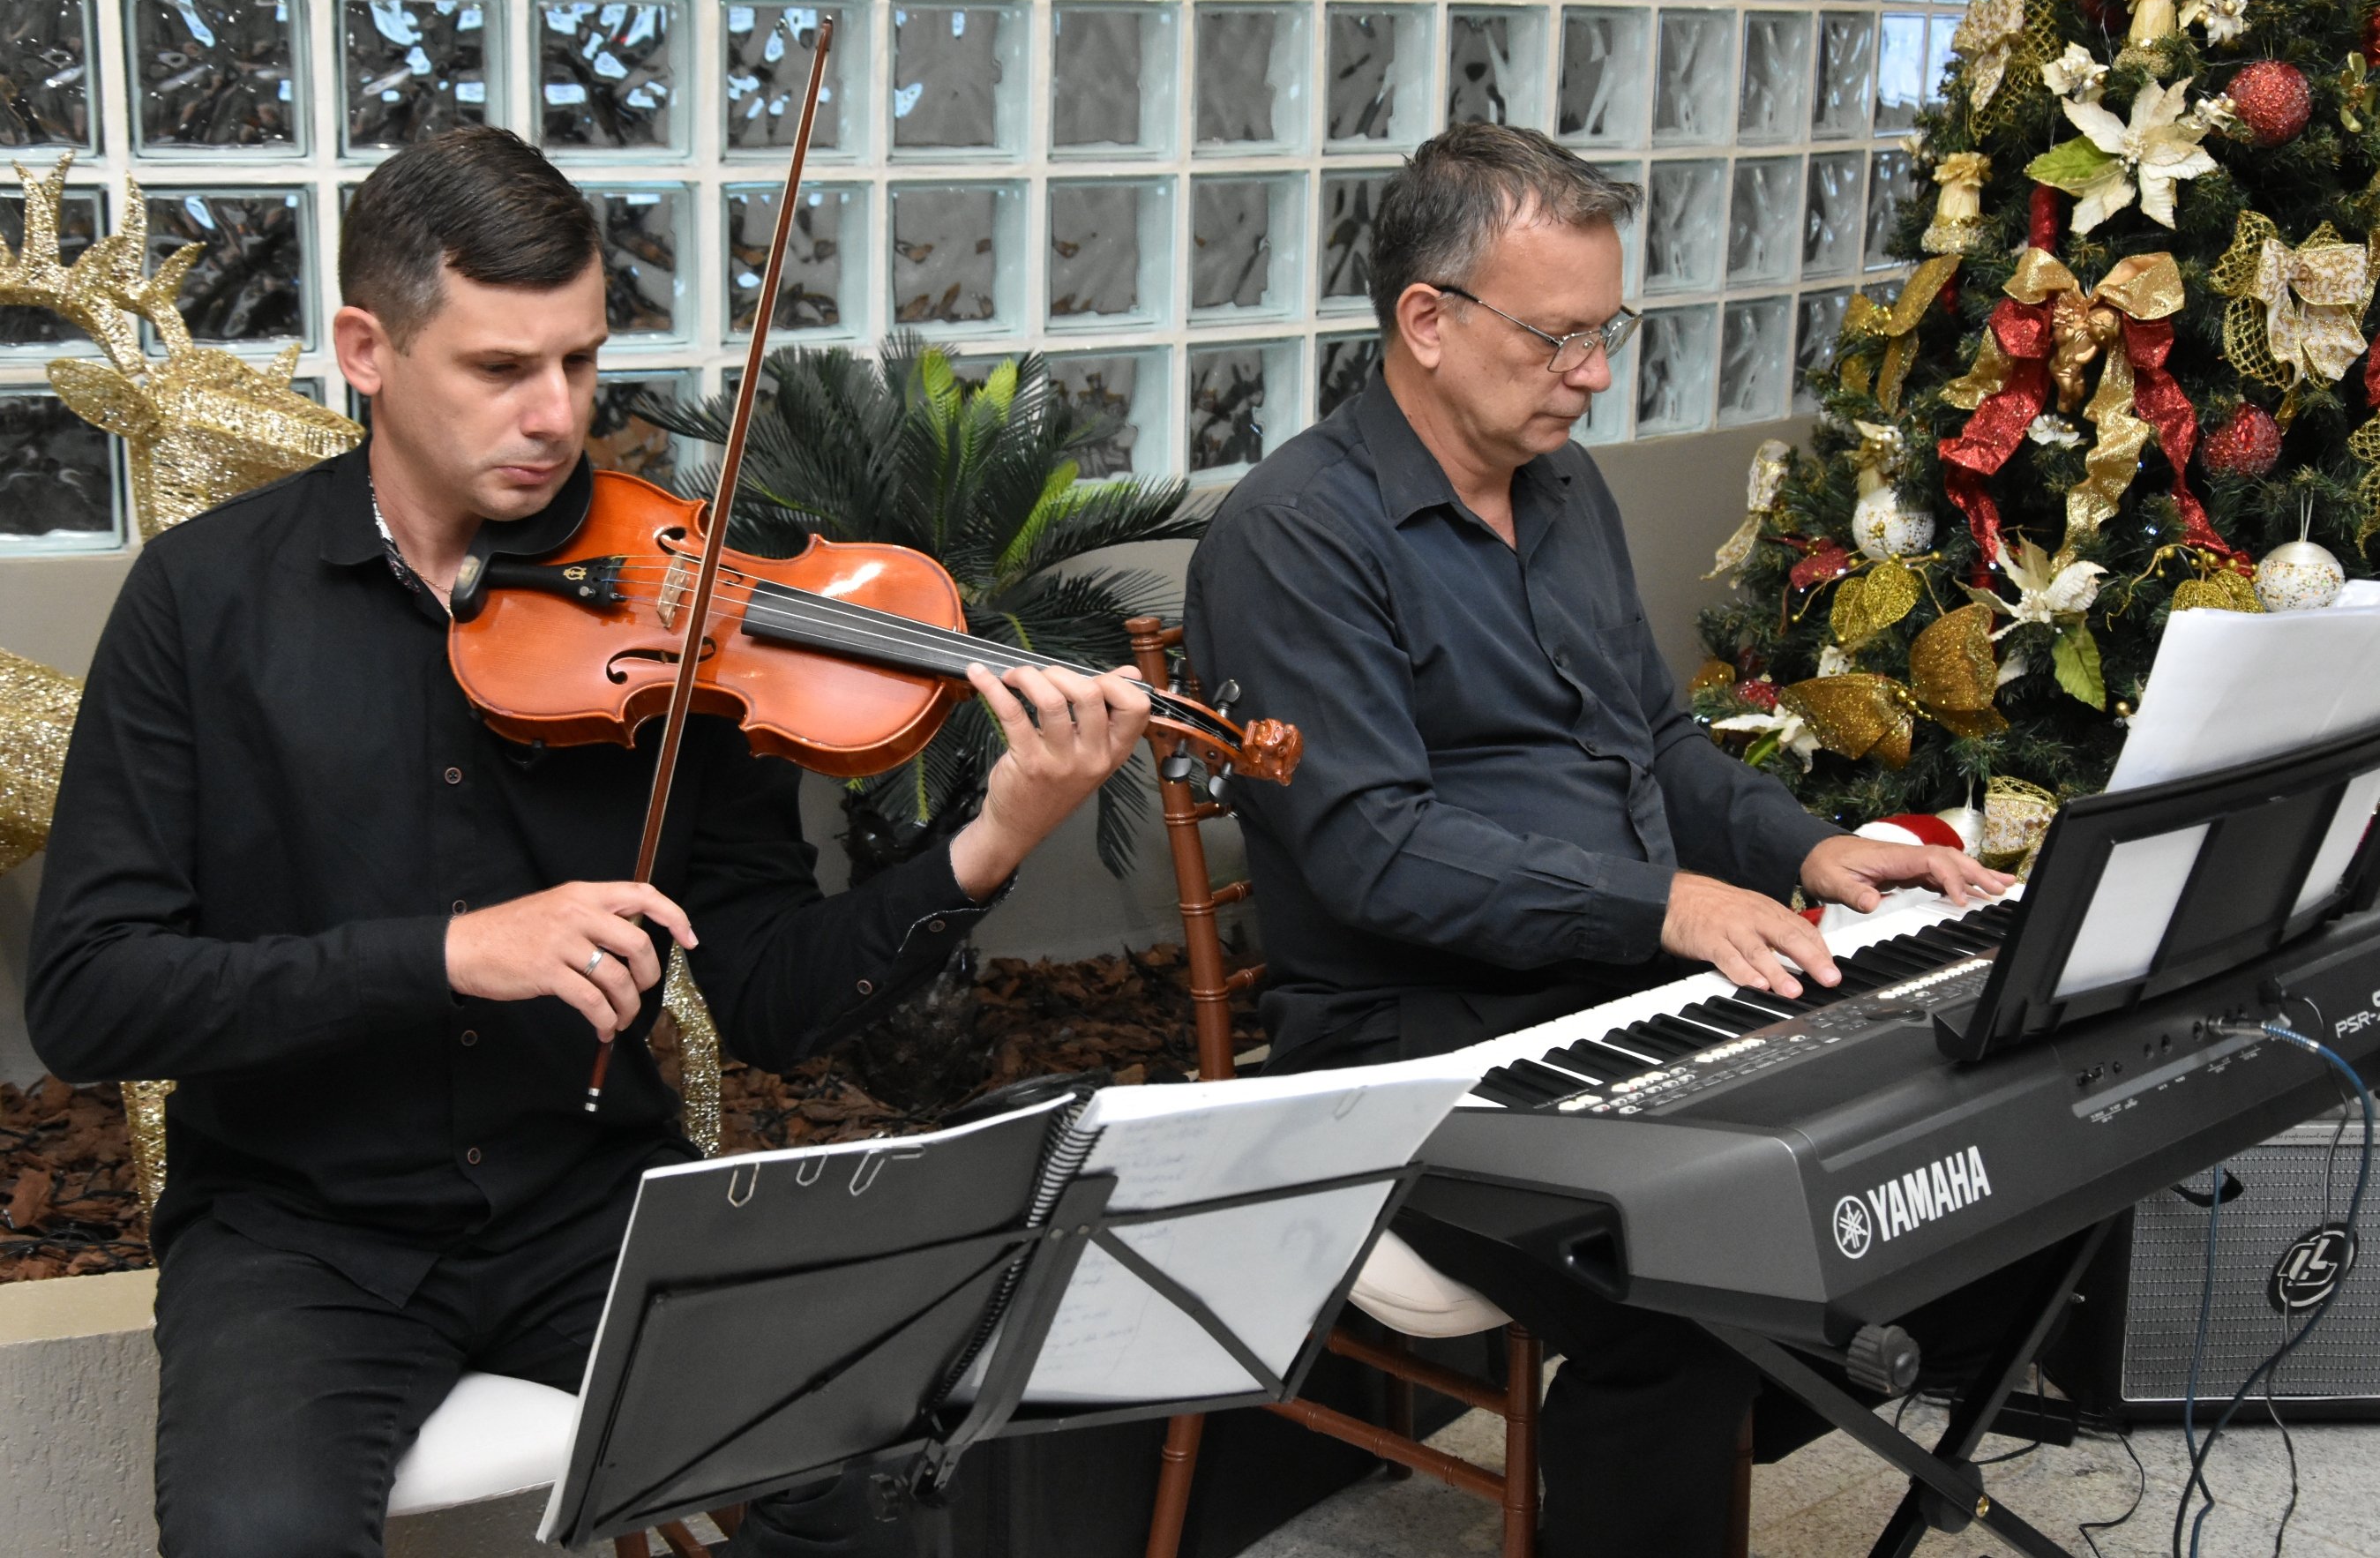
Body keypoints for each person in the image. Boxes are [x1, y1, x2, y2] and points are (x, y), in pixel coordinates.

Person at [26, 125, 1149, 1558]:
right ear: (366, 351)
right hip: (298, 1235)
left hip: (589, 1201)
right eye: (500, 368)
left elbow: (767, 996)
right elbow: (92, 996)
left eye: (580, 360)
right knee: (256, 1539)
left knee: (860, 1464)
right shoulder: (202, 603)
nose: (555, 416)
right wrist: (450, 954)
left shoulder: (681, 608)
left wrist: (992, 839)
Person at [1183, 123, 2014, 1556]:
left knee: (1940, 1149)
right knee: (1700, 1300)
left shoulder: (1563, 487)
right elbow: (1374, 850)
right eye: (1558, 337)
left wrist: (1804, 848)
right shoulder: (1293, 537)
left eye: (1605, 331)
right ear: (1426, 322)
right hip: (1412, 1054)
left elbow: (1661, 745)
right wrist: (1664, 904)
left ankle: (1732, 1414)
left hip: (1619, 998)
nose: (1593, 372)